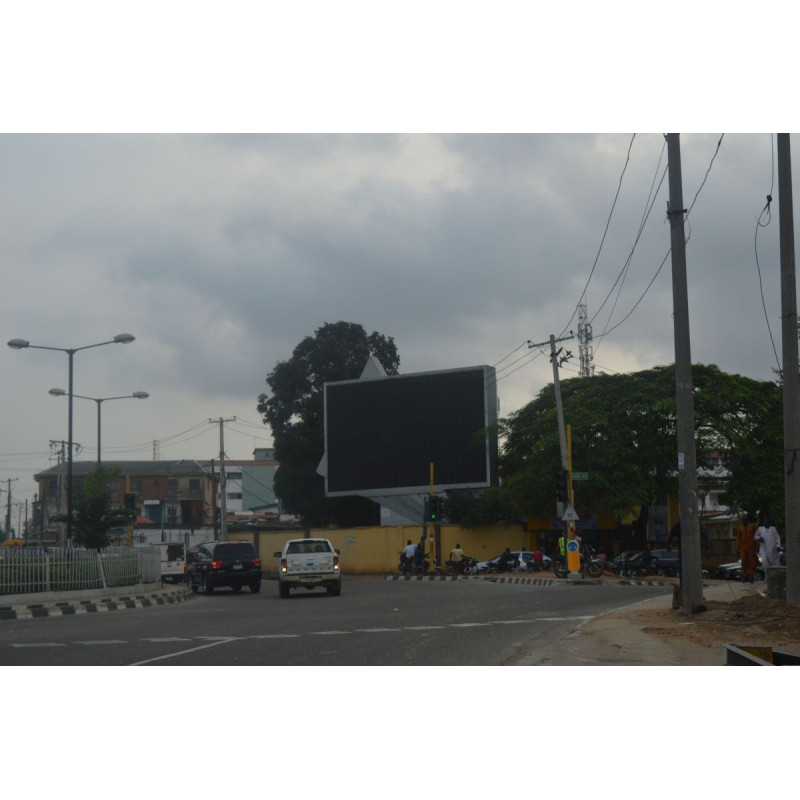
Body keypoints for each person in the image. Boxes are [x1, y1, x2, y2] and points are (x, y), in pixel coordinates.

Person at [736, 513, 758, 583]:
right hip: (743, 547)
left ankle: (751, 577)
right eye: (742, 520)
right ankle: (745, 575)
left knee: (752, 562)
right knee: (743, 561)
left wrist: (757, 546)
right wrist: (737, 548)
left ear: (747, 520)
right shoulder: (740, 528)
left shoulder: (752, 526)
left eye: (744, 519)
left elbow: (756, 537)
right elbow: (738, 539)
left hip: (751, 547)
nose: (743, 521)